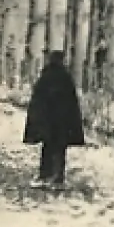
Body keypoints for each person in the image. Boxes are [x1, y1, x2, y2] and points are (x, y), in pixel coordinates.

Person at [22, 50, 85, 190]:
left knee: (47, 149)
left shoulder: (45, 77)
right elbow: (73, 104)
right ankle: (58, 179)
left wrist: (36, 124)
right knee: (60, 150)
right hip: (62, 124)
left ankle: (45, 176)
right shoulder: (66, 78)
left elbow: (37, 102)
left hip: (48, 124)